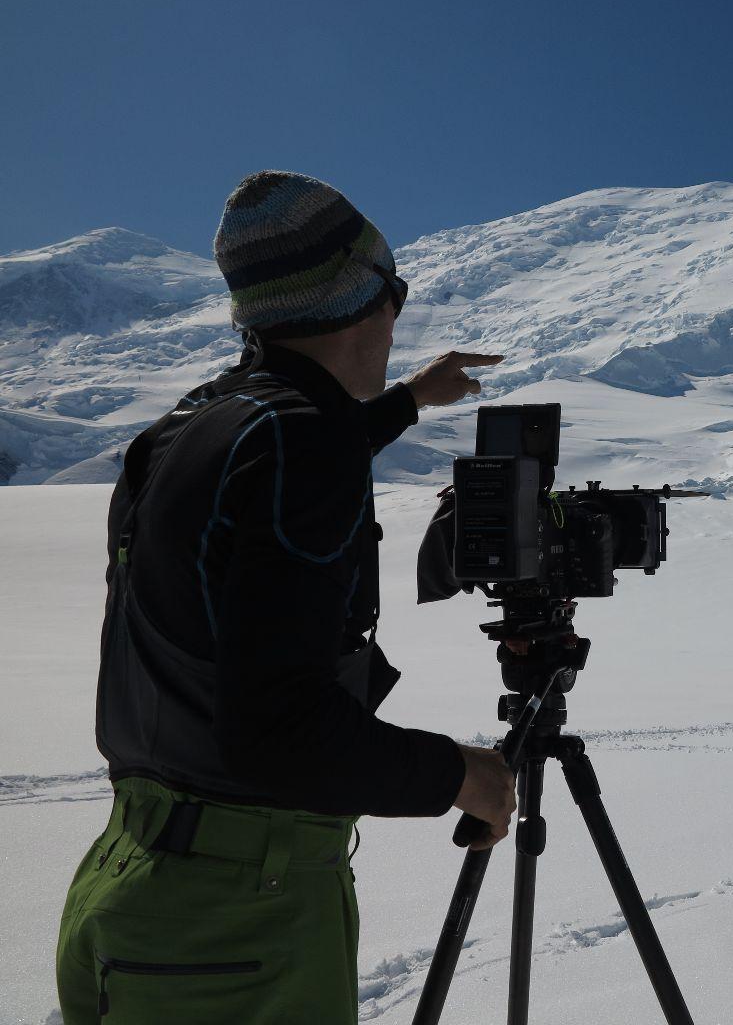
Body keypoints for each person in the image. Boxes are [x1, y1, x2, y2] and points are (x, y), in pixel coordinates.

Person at [55, 170, 518, 1024]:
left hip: (130, 882)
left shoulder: (188, 428)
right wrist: (461, 775)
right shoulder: (301, 449)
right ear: (364, 297)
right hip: (238, 918)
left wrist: (412, 399)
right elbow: (281, 732)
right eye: (396, 291)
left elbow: (302, 445)